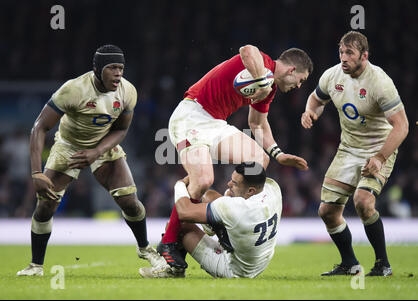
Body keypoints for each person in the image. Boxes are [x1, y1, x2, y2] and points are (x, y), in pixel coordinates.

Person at [157, 45, 313, 270]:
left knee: (259, 161)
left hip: (215, 123)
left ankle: (227, 222)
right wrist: (261, 81)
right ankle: (169, 241)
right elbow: (247, 49)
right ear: (291, 69)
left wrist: (278, 154)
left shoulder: (270, 89)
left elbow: (257, 124)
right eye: (301, 79)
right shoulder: (264, 64)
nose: (299, 86)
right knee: (202, 180)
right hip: (191, 115)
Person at [17, 45, 165, 276]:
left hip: (103, 144)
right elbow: (39, 127)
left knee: (129, 200)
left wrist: (97, 152)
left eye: (121, 68)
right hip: (68, 146)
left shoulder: (128, 92)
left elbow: (121, 130)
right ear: (97, 69)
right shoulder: (73, 90)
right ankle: (36, 265)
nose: (118, 73)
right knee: (45, 206)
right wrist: (36, 173)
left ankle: (145, 248)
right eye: (112, 68)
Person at [301, 31, 409, 276]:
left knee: (363, 201)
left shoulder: (379, 81)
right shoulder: (332, 75)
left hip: (378, 148)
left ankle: (383, 264)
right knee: (327, 212)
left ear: (364, 56)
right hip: (348, 149)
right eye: (341, 52)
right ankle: (350, 264)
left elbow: (402, 126)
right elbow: (316, 99)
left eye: (349, 53)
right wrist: (311, 112)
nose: (343, 58)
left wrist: (380, 157)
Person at [140, 162, 282, 278]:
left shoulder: (237, 209)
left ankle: (172, 271)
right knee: (209, 196)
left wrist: (179, 184)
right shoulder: (272, 190)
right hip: (260, 260)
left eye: (235, 183)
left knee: (179, 226)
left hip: (236, 270)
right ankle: (219, 228)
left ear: (251, 191)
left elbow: (184, 212)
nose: (228, 184)